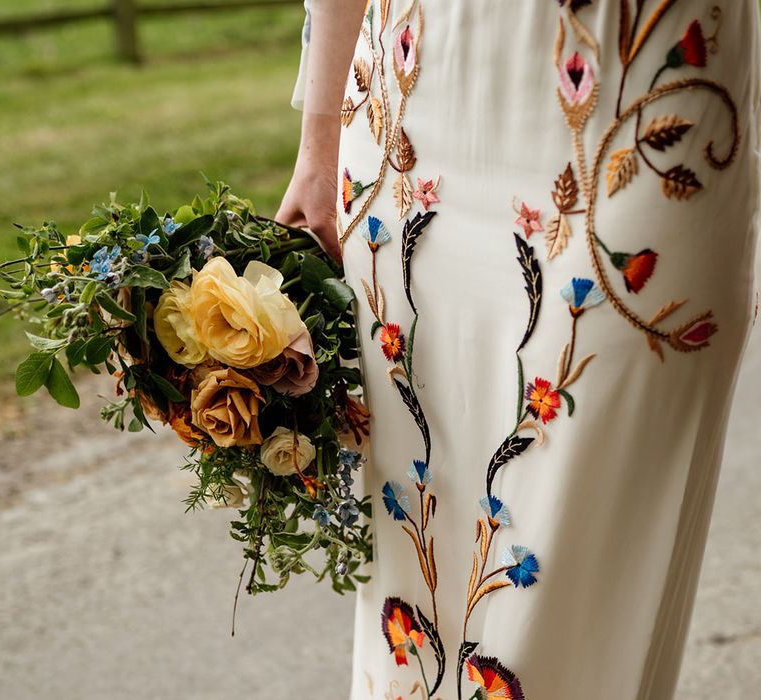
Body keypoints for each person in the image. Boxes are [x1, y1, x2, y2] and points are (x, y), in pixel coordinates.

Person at [276, 2, 761, 698]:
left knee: (582, 572)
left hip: (643, 97)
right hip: (414, 99)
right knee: (415, 560)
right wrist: (319, 142)